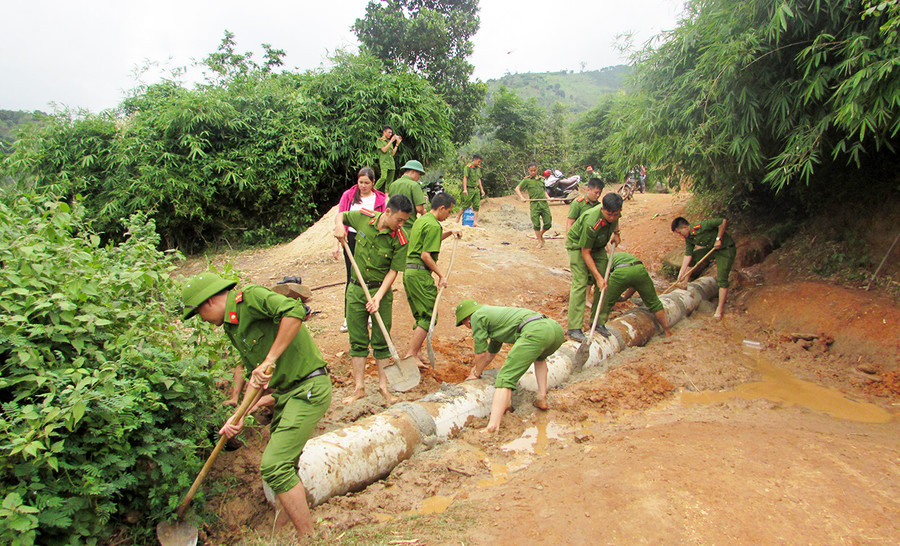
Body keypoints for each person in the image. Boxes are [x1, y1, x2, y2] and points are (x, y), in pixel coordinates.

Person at [181, 272, 332, 537]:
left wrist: (270, 359)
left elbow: (295, 311)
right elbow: (257, 378)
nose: (203, 321)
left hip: (308, 388)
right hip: (286, 394)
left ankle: (308, 538)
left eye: (199, 315)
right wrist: (238, 416)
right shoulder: (233, 326)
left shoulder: (249, 298)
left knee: (274, 465)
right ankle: (284, 527)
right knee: (286, 464)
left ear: (208, 303)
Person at [334, 194, 412, 405]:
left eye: (404, 221)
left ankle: (383, 387)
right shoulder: (363, 218)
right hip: (356, 290)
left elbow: (393, 271)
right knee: (357, 340)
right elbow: (341, 215)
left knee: (381, 339)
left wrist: (377, 297)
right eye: (399, 220)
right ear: (388, 212)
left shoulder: (400, 238)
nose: (401, 224)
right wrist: (339, 227)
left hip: (381, 293)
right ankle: (359, 388)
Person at [456, 299, 565, 433]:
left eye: (465, 325)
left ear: (467, 320)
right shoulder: (493, 317)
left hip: (535, 331)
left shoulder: (477, 317)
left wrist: (476, 373)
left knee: (505, 378)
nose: (469, 327)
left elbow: (481, 353)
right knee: (540, 358)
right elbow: (490, 353)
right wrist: (477, 369)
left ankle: (493, 426)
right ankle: (541, 396)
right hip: (554, 329)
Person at [403, 192, 462, 364]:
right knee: (429, 316)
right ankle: (411, 355)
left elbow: (430, 240)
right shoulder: (434, 225)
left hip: (410, 272)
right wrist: (441, 275)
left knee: (420, 314)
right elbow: (426, 255)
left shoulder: (422, 220)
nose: (449, 215)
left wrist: (449, 232)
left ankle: (416, 353)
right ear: (442, 208)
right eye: (449, 211)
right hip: (420, 274)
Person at [333, 167, 387, 333]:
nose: (363, 186)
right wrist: (336, 244)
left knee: (370, 275)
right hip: (351, 240)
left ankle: (370, 314)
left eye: (367, 183)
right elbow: (339, 218)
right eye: (360, 182)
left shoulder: (379, 199)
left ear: (373, 183)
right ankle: (348, 317)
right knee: (352, 277)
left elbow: (383, 220)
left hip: (371, 241)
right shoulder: (348, 196)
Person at [564, 193, 623, 341]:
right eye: (609, 214)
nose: (612, 217)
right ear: (603, 209)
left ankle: (598, 322)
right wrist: (597, 277)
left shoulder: (615, 214)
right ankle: (574, 328)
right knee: (581, 282)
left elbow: (616, 220)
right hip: (579, 247)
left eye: (615, 214)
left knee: (605, 283)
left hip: (598, 247)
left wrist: (616, 233)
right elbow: (585, 252)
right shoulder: (592, 221)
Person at [593, 251, 672, 337]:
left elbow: (605, 283)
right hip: (639, 269)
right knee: (654, 303)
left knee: (606, 303)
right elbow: (634, 284)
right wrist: (626, 297)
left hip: (622, 271)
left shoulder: (603, 261)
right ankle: (667, 331)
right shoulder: (620, 256)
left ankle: (599, 332)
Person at [671, 216, 736, 319]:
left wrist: (718, 239)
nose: (680, 235)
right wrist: (681, 273)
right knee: (694, 257)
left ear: (685, 227)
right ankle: (684, 283)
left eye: (679, 232)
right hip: (713, 251)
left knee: (722, 278)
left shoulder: (700, 226)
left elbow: (722, 221)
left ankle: (720, 308)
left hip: (725, 250)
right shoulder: (689, 238)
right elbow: (688, 255)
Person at [566, 177, 605, 312]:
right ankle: (578, 303)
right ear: (588, 189)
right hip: (578, 243)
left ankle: (587, 298)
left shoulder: (599, 206)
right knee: (580, 275)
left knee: (590, 274)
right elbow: (570, 222)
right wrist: (571, 242)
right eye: (596, 192)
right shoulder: (578, 204)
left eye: (600, 193)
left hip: (591, 243)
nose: (597, 195)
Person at [514, 163, 552, 248]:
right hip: (534, 205)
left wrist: (549, 198)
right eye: (531, 171)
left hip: (544, 204)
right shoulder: (527, 180)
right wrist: (522, 197)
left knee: (548, 223)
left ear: (537, 169)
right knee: (536, 224)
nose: (533, 172)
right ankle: (539, 241)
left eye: (534, 170)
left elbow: (544, 191)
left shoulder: (542, 179)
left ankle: (540, 235)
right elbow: (517, 188)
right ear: (528, 171)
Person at [456, 154, 486, 226]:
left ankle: (475, 222)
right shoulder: (468, 167)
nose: (479, 163)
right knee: (467, 204)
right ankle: (458, 217)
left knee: (476, 205)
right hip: (470, 189)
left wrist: (481, 189)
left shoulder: (478, 168)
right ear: (474, 160)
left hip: (476, 189)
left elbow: (478, 179)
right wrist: (465, 189)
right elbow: (465, 178)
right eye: (478, 161)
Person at [375, 125, 401, 191]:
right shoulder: (380, 140)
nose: (390, 134)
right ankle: (374, 189)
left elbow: (392, 153)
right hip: (384, 163)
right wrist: (391, 141)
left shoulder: (389, 142)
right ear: (384, 132)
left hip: (391, 163)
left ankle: (387, 194)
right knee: (383, 177)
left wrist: (397, 144)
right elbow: (384, 150)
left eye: (391, 133)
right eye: (389, 132)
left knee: (390, 181)